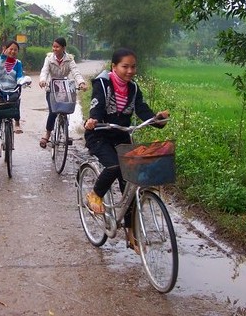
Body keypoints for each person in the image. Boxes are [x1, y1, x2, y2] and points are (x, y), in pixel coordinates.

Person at [83, 48, 169, 249]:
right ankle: (95, 195)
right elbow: (97, 104)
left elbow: (142, 110)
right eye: (125, 66)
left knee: (130, 183)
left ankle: (131, 234)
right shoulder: (102, 83)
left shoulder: (134, 89)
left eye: (133, 67)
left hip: (122, 134)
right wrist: (93, 119)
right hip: (100, 134)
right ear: (114, 67)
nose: (130, 71)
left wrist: (158, 120)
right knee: (114, 166)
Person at [38, 37, 87, 148]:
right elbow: (44, 71)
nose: (55, 49)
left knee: (65, 110)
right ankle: (47, 134)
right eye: (53, 46)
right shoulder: (49, 58)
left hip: (65, 88)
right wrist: (42, 80)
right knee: (53, 111)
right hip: (52, 89)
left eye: (57, 47)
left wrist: (81, 83)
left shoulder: (69, 59)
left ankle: (65, 131)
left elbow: (75, 72)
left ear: (63, 48)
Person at [0, 40, 24, 163]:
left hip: (12, 90)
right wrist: (3, 59)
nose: (13, 51)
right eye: (11, 49)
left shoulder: (18, 63)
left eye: (15, 50)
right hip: (0, 90)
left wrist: (23, 81)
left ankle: (17, 122)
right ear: (6, 49)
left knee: (16, 99)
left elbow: (19, 76)